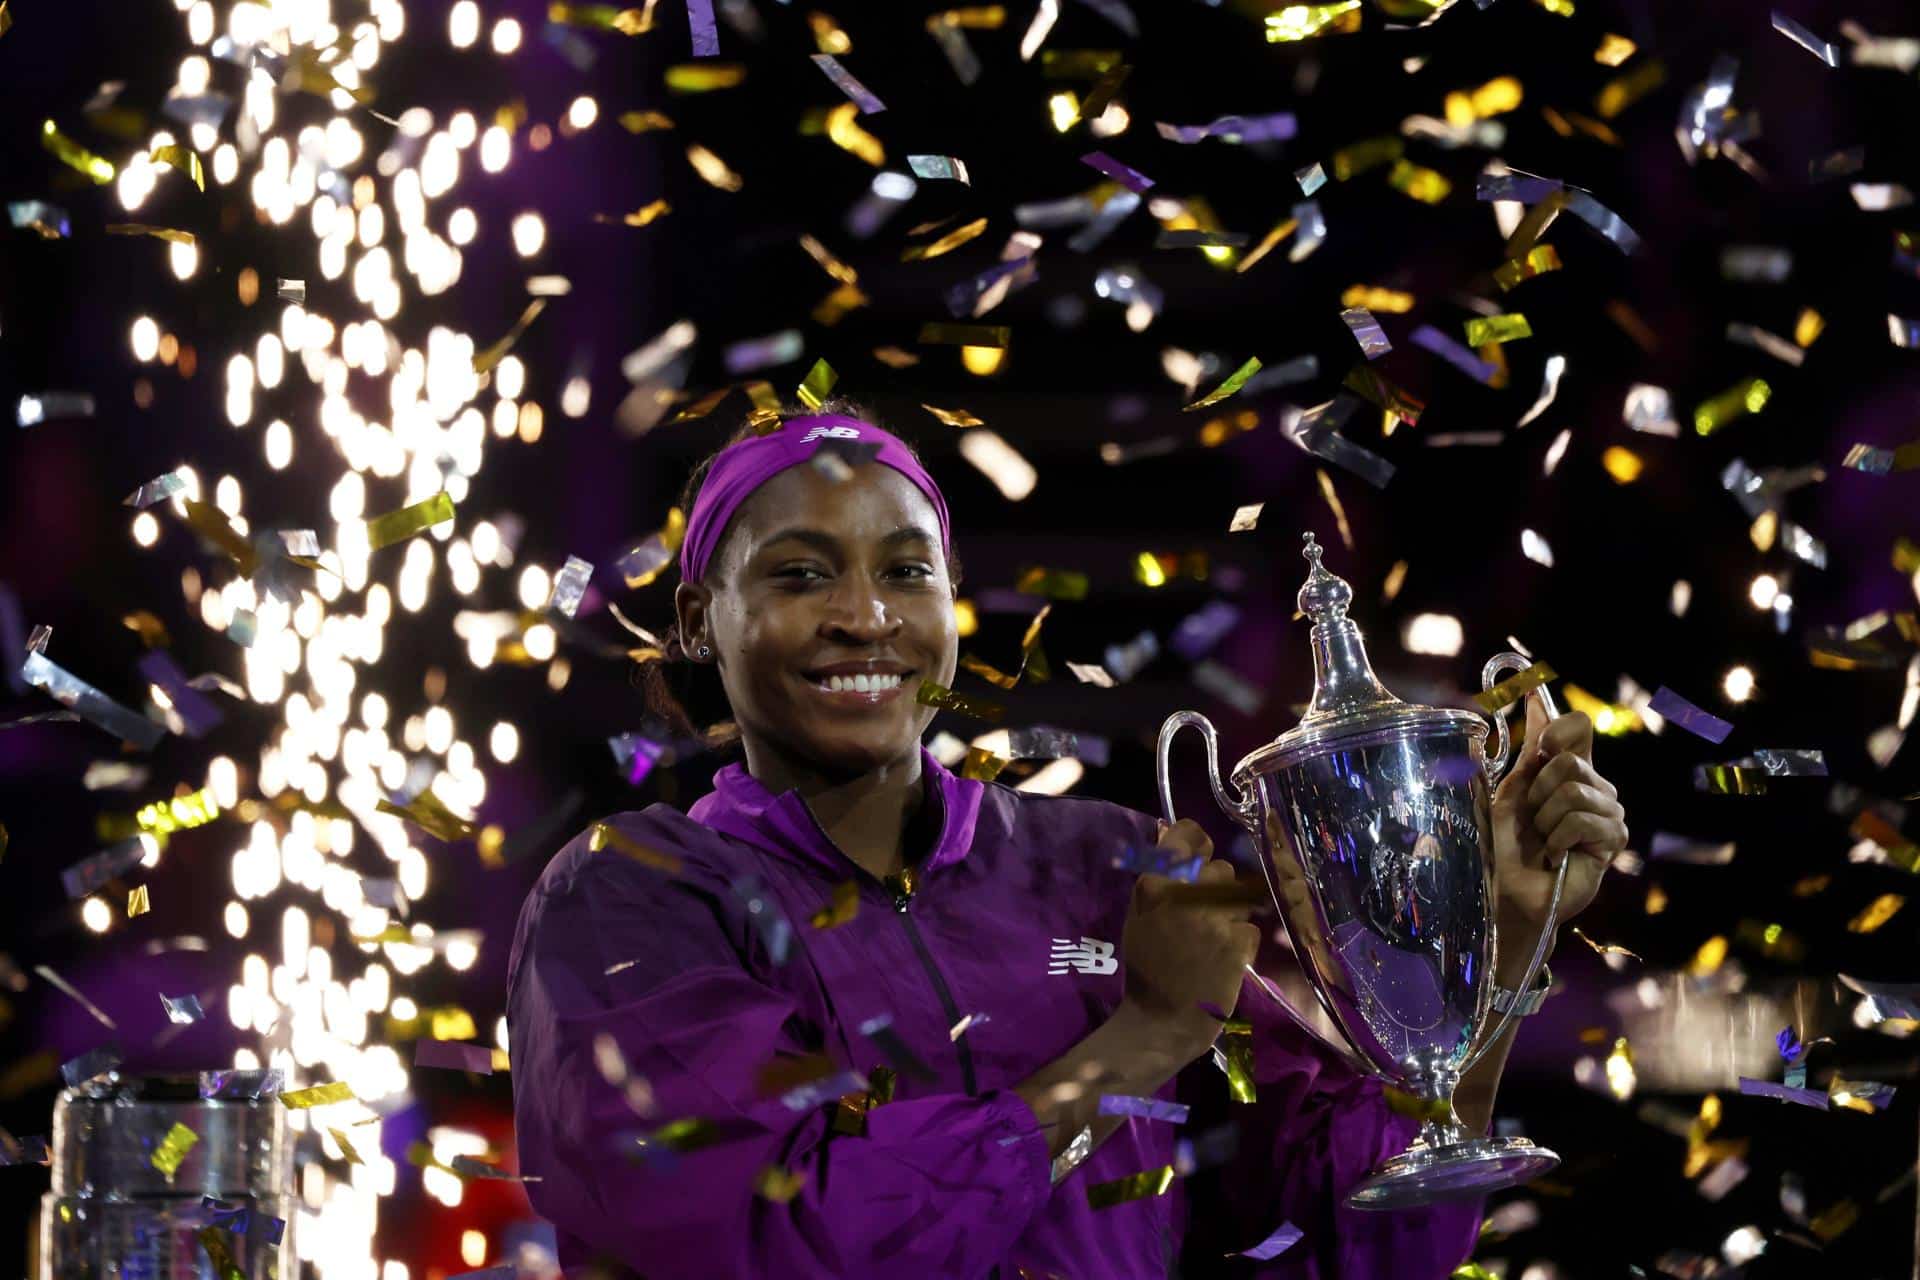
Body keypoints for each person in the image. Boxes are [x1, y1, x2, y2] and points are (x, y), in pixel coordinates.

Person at [505, 404, 1629, 1279]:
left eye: (907, 570)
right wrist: (1136, 1039)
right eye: (800, 573)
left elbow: (1357, 1232)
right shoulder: (627, 897)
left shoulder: (1106, 864)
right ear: (701, 617)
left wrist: (1497, 947)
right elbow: (786, 1243)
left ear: (954, 605)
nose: (866, 615)